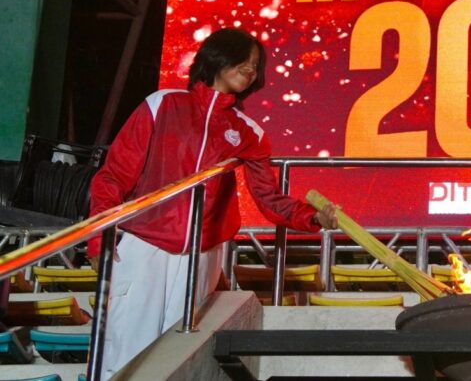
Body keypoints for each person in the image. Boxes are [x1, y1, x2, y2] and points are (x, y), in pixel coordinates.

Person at [86, 28, 338, 380]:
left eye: (255, 66)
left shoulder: (248, 131)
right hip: (145, 244)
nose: (250, 70)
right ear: (218, 57)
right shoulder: (163, 104)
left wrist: (314, 217)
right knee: (126, 352)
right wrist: (99, 239)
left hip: (203, 254)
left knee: (180, 357)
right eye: (244, 60)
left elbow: (268, 198)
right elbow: (114, 176)